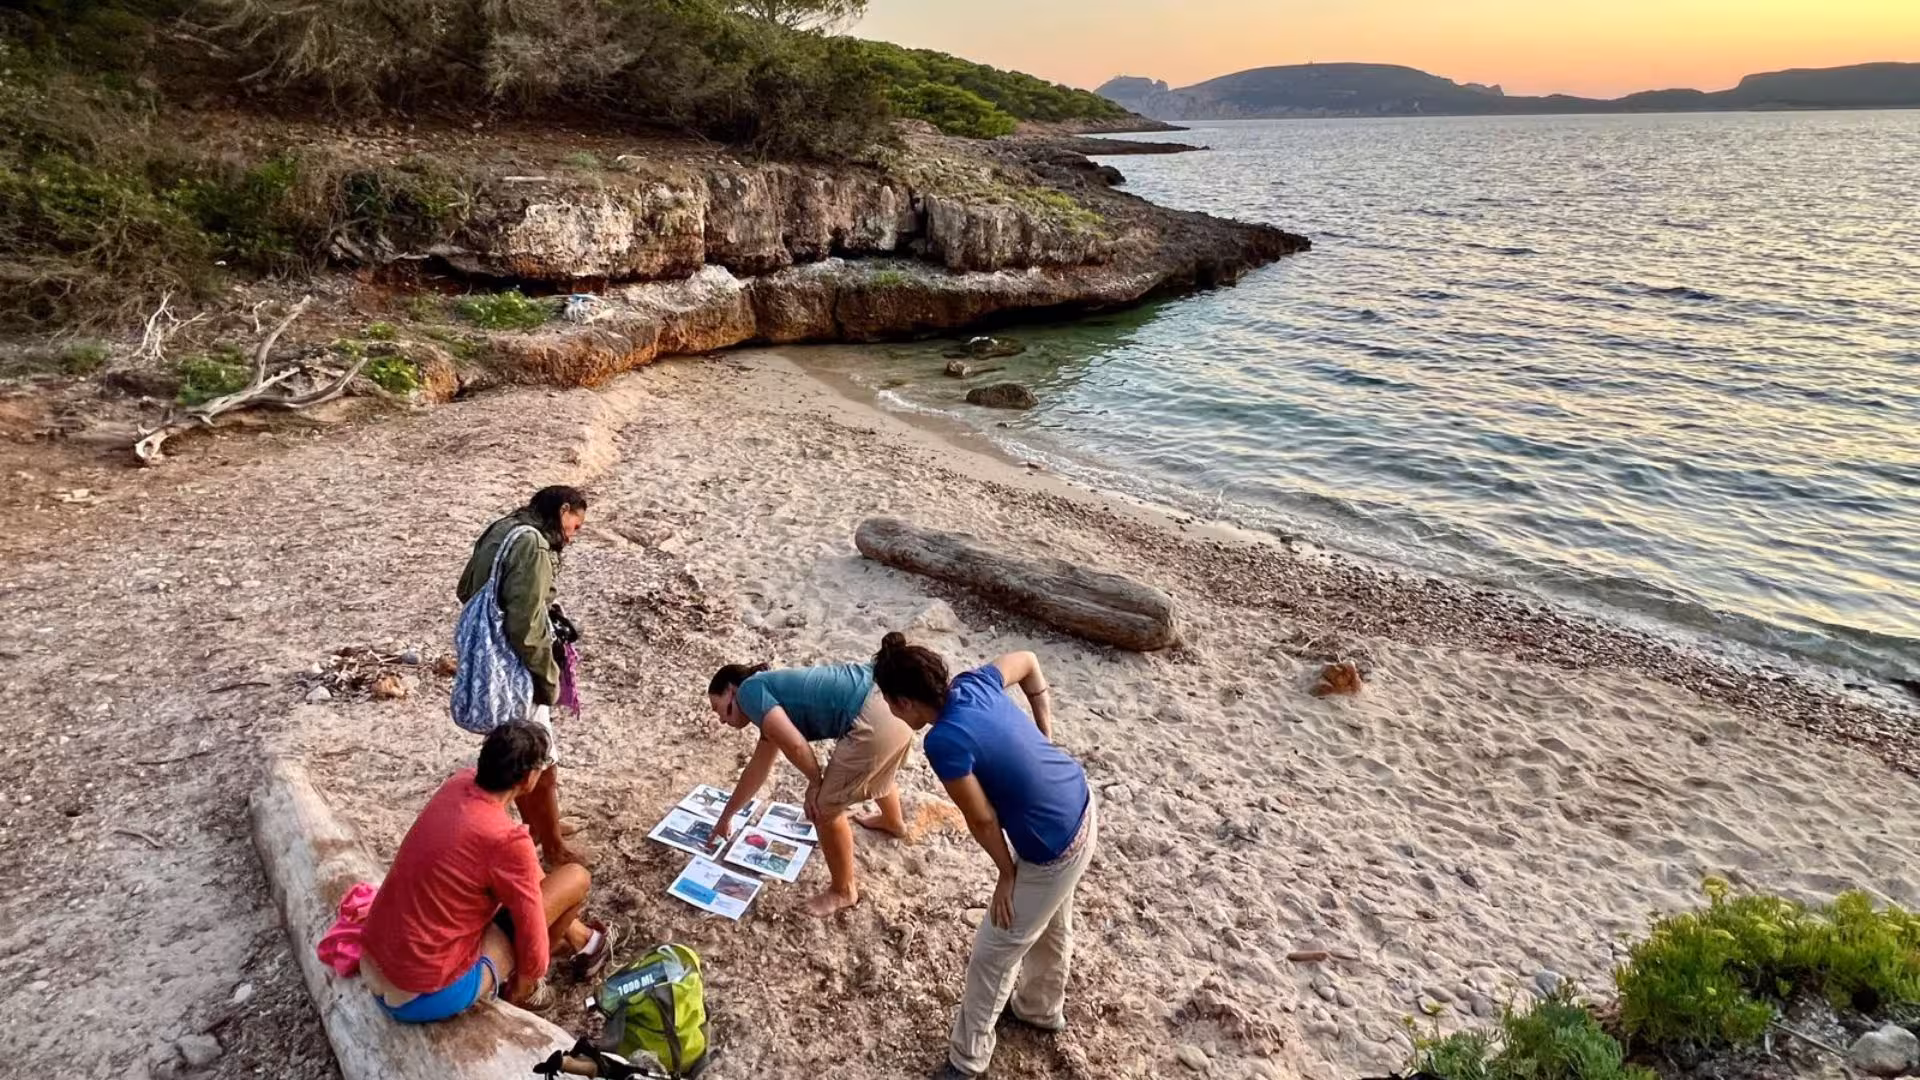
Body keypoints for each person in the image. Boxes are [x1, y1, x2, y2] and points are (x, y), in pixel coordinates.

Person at [871, 633, 1096, 1080]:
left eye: (892, 704)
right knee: (1051, 922)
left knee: (994, 952)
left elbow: (982, 819)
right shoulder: (974, 684)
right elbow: (1030, 661)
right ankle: (1039, 1008)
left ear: (907, 702)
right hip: (1081, 806)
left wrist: (1006, 873)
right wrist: (1043, 734)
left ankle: (966, 1062)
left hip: (1052, 847)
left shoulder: (944, 742)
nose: (892, 713)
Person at [361, 721, 616, 1022]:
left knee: (528, 880)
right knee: (577, 878)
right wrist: (530, 974)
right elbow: (531, 931)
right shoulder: (507, 841)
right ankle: (523, 993)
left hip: (374, 962)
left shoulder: (457, 785)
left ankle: (582, 939)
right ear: (529, 777)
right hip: (423, 995)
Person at [707, 658, 914, 917]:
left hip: (873, 720)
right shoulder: (769, 696)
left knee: (823, 809)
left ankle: (843, 891)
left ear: (732, 690)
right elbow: (757, 770)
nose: (721, 721)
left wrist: (816, 785)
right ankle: (893, 821)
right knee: (872, 766)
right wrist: (727, 816)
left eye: (719, 709)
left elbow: (795, 745)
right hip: (898, 705)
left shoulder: (750, 691)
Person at [457, 485, 588, 866]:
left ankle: (544, 827)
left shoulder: (504, 527)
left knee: (522, 756)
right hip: (516, 668)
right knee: (540, 760)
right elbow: (526, 626)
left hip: (490, 663)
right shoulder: (533, 545)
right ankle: (552, 847)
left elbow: (466, 589)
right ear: (563, 511)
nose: (573, 535)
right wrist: (547, 677)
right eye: (575, 526)